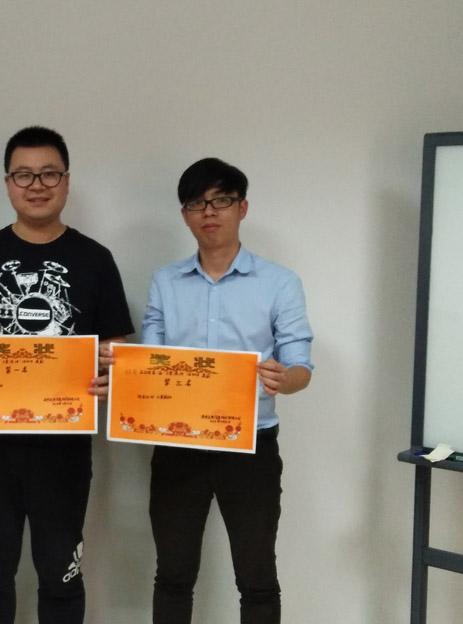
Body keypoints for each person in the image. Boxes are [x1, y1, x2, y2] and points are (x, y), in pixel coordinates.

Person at [0, 126, 134, 624]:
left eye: (49, 174)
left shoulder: (95, 260)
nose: (37, 185)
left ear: (66, 181)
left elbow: (116, 347)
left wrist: (111, 372)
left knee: (61, 576)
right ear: (8, 183)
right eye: (24, 175)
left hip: (64, 448)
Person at [142, 158, 313, 624]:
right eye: (197, 203)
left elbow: (301, 365)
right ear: (185, 215)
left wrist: (285, 378)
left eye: (221, 201)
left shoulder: (279, 282)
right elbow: (151, 362)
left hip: (250, 443)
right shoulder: (165, 281)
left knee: (257, 578)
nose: (209, 212)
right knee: (173, 574)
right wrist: (128, 369)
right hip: (178, 444)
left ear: (242, 208)